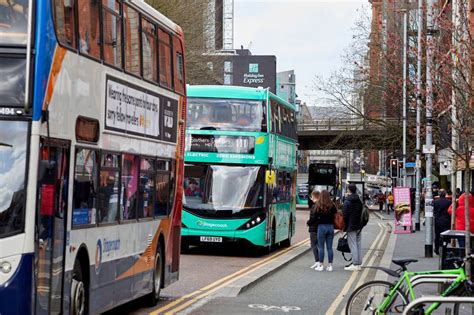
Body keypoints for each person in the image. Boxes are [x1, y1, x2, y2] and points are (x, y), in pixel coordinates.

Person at [312, 190, 337, 272]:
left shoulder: (318, 205)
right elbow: (336, 214)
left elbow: (314, 217)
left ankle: (321, 265)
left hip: (321, 227)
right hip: (330, 227)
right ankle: (330, 266)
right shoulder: (332, 205)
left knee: (321, 247)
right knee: (330, 247)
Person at [343, 184, 364, 271]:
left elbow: (345, 214)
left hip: (351, 226)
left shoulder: (347, 201)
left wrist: (344, 226)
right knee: (358, 244)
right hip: (359, 225)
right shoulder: (359, 200)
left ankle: (355, 264)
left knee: (353, 244)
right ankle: (359, 263)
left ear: (348, 190)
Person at [433, 189, 451, 255]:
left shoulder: (435, 202)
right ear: (445, 194)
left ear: (439, 194)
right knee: (445, 236)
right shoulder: (449, 202)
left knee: (437, 235)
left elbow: (434, 211)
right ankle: (444, 247)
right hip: (446, 221)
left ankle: (437, 249)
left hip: (438, 221)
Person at [306, 190, 321, 269]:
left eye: (312, 197)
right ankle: (318, 262)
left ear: (315, 197)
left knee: (314, 245)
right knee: (319, 245)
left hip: (314, 228)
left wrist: (308, 223)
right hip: (319, 227)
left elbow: (313, 218)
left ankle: (318, 262)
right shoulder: (320, 205)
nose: (311, 199)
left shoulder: (315, 206)